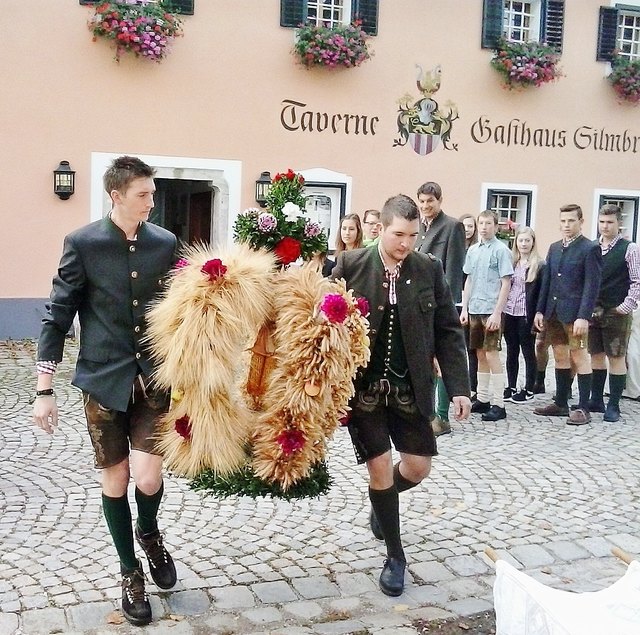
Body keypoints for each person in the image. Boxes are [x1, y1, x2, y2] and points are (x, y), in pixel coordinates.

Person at [32, 156, 178, 626]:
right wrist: (44, 387)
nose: (151, 202)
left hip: (155, 379)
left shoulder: (165, 243)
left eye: (153, 194)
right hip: (102, 380)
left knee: (150, 478)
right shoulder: (83, 243)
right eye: (143, 195)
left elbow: (182, 305)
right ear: (116, 196)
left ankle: (149, 532)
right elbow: (58, 313)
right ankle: (128, 570)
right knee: (115, 479)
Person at [332, 194, 470, 597]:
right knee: (377, 470)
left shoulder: (429, 268)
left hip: (411, 389)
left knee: (417, 468)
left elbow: (447, 330)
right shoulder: (350, 265)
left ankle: (382, 502)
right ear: (381, 228)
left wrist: (459, 388)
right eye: (398, 234)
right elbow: (319, 321)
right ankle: (396, 556)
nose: (406, 243)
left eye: (413, 235)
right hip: (364, 393)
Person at [533, 204, 603, 425]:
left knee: (579, 356)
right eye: (563, 221)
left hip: (576, 314)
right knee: (560, 355)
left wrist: (584, 315)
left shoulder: (590, 248)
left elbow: (592, 285)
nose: (566, 225)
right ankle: (561, 403)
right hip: (554, 312)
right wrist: (540, 310)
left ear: (581, 222)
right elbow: (548, 281)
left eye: (571, 221)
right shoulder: (554, 248)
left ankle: (583, 407)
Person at [414, 182, 466, 435]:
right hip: (420, 304)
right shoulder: (417, 228)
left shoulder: (452, 226)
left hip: (442, 303)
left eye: (430, 201)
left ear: (440, 201)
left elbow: (455, 270)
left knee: (443, 355)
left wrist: (451, 306)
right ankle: (430, 412)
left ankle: (442, 417)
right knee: (427, 359)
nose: (426, 206)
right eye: (422, 201)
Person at [588, 203, 640, 422]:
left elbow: (637, 280)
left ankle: (614, 404)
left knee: (616, 357)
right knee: (596, 355)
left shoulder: (630, 248)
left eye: (610, 222)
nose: (605, 226)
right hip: (593, 310)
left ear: (619, 223)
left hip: (616, 310)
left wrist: (626, 306)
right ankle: (596, 399)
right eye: (602, 222)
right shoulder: (592, 247)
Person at [460, 210, 514, 421]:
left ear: (496, 226)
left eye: (488, 223)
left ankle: (499, 403)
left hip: (492, 309)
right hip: (475, 307)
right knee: (479, 353)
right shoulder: (473, 250)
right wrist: (464, 308)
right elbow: (469, 280)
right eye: (481, 223)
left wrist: (497, 312)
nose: (484, 227)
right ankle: (482, 398)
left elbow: (506, 282)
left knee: (492, 354)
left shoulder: (502, 250)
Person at [502, 227, 545, 403]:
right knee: (511, 350)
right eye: (521, 240)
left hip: (526, 313)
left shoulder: (539, 265)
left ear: (533, 242)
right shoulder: (512, 262)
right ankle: (511, 385)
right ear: (516, 242)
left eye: (527, 240)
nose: (524, 244)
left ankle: (529, 388)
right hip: (510, 310)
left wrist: (539, 312)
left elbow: (542, 292)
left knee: (527, 350)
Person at [459, 213, 479, 400]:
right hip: (456, 300)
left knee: (470, 348)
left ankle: (473, 386)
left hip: (471, 301)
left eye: (471, 226)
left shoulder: (476, 249)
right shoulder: (455, 247)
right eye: (464, 225)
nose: (467, 229)